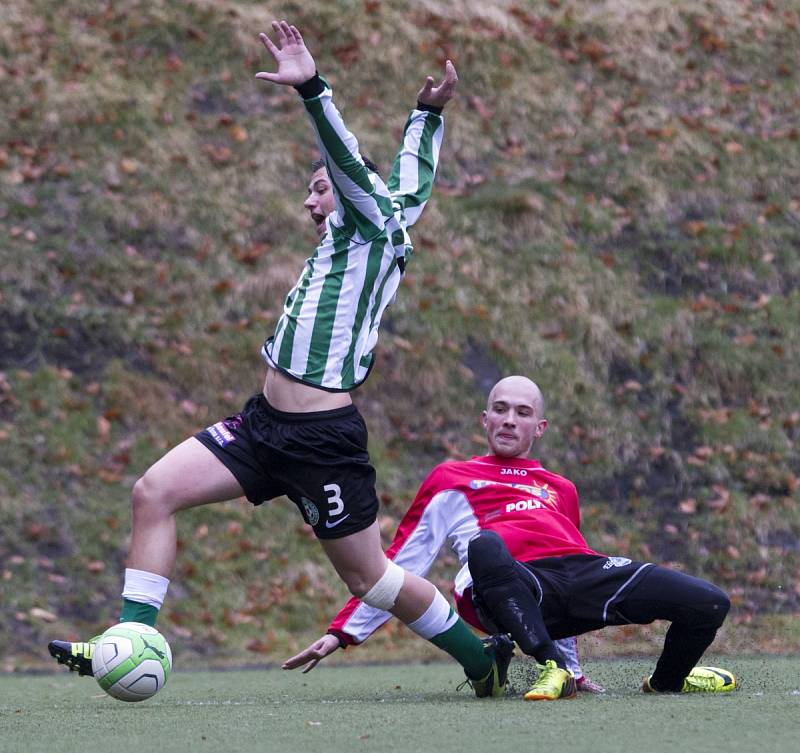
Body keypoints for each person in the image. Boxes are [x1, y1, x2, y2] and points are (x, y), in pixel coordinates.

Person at [48, 20, 513, 699]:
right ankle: (131, 638)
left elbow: (352, 162)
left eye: (317, 189)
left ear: (348, 194)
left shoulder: (366, 218)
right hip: (263, 424)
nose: (309, 200)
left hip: (322, 441)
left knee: (371, 579)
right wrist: (427, 114)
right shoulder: (382, 216)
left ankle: (482, 658)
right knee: (154, 492)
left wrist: (312, 90)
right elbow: (411, 180)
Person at [285, 376, 736, 700]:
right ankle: (548, 667)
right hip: (496, 585)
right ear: (485, 419)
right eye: (500, 409)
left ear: (539, 427)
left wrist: (577, 670)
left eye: (522, 412)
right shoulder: (452, 478)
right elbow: (404, 558)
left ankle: (667, 682)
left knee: (709, 602)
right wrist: (343, 632)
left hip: (567, 582)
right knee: (486, 546)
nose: (508, 419)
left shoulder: (561, 488)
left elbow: (570, 573)